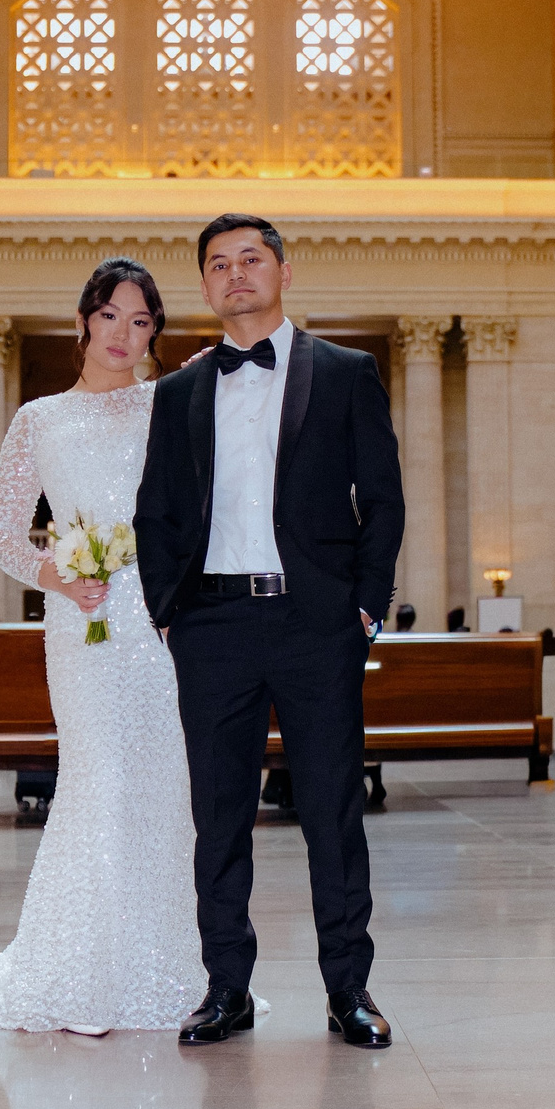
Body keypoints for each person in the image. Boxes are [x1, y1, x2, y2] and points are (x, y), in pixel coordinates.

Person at [0, 259, 207, 1036]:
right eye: (111, 316)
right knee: (98, 784)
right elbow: (2, 536)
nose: (124, 335)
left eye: (142, 323)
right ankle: (78, 971)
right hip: (86, 621)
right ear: (83, 321)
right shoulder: (39, 419)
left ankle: (158, 969)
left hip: (164, 624)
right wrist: (62, 577)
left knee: (163, 789)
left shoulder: (165, 404)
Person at [136, 214, 406, 1049]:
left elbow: (384, 500)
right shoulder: (179, 391)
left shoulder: (346, 371)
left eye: (250, 258)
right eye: (217, 264)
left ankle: (349, 988)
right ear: (206, 286)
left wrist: (363, 607)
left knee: (332, 809)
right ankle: (227, 989)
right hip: (211, 624)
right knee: (218, 815)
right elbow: (157, 511)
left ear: (285, 271)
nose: (234, 274)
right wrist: (169, 611)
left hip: (315, 622)